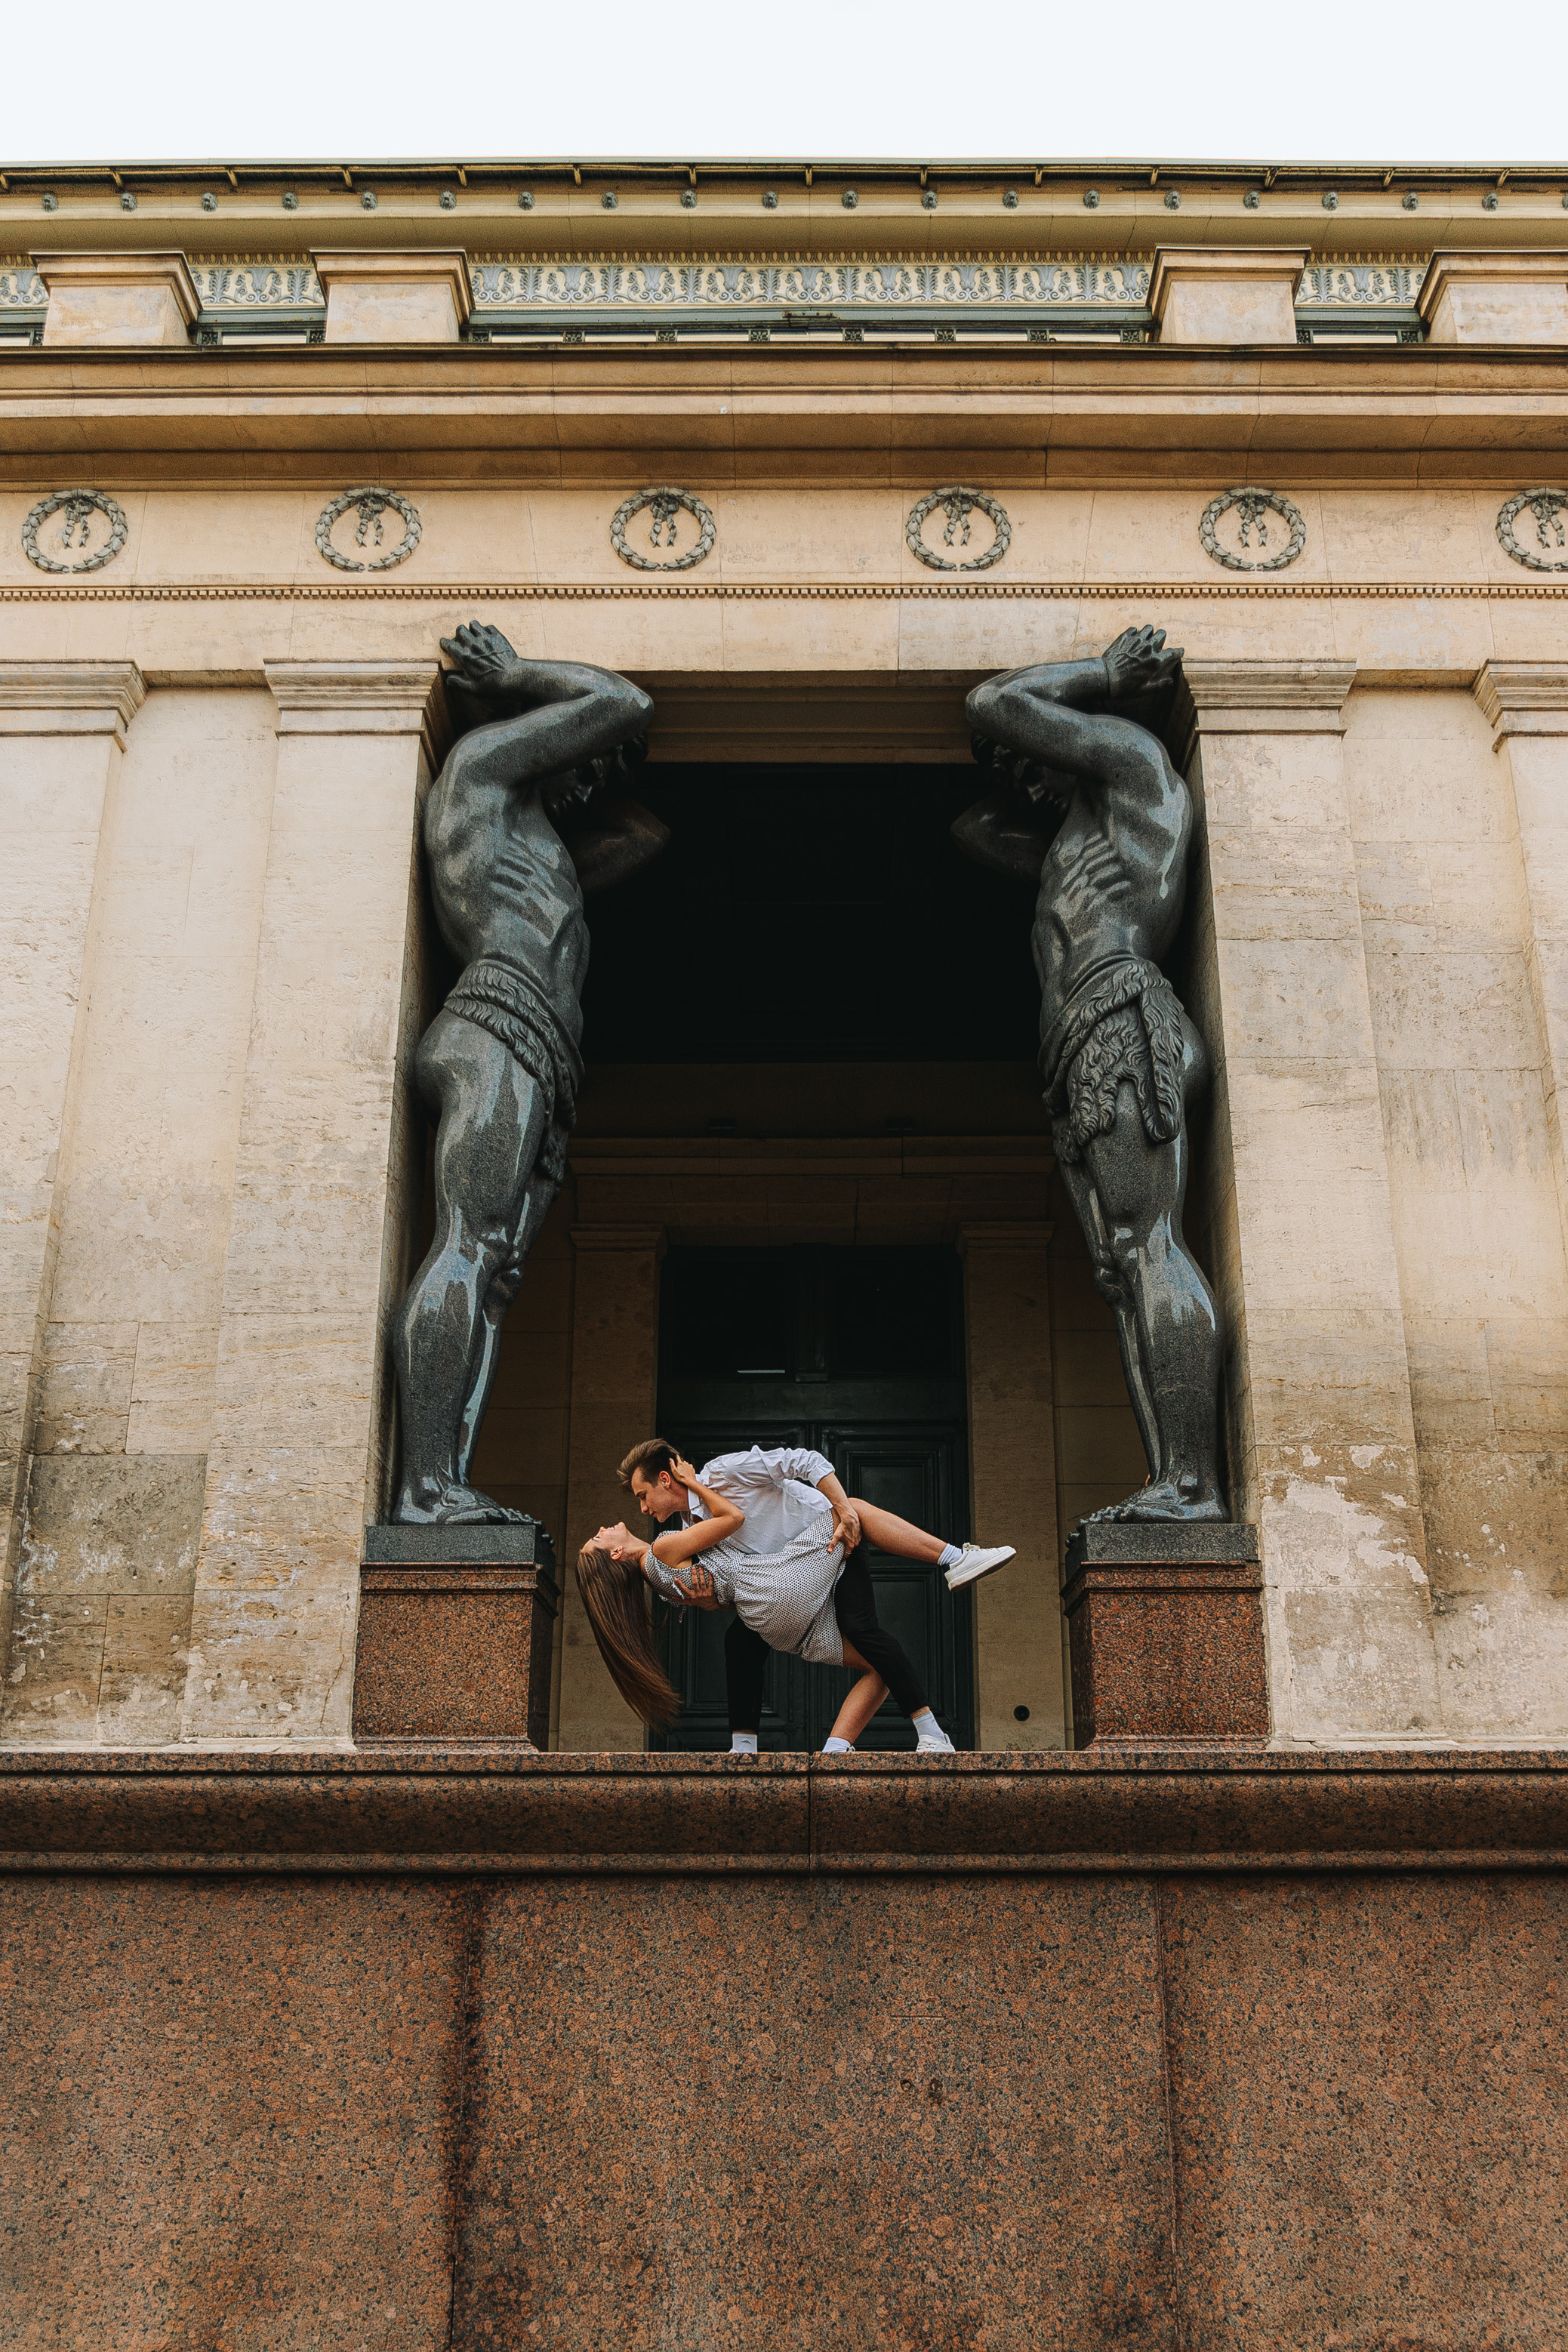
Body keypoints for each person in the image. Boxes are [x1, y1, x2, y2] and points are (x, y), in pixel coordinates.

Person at [390, 623, 667, 1524]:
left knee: (496, 1267)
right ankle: (425, 1486)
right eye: (580, 755)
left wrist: (579, 776)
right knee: (471, 1246)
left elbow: (640, 834)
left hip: (538, 1046)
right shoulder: (477, 778)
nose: (594, 766)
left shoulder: (540, 843)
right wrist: (518, 678)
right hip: (495, 1024)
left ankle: (448, 1477)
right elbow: (621, 702)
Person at [956, 624, 1225, 1523]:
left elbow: (995, 702)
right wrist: (1036, 777)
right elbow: (976, 826)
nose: (1024, 768)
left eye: (1035, 756)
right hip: (1079, 1041)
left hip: (1119, 1014)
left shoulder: (1137, 777)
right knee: (1120, 1265)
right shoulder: (1070, 842)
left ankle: (1192, 1481)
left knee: (1149, 1243)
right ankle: (1168, 1478)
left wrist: (1102, 677)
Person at [578, 1438, 1014, 1754]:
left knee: (841, 1639)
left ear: (665, 1478)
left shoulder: (724, 1473)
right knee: (854, 1529)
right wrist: (708, 1598)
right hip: (798, 1573)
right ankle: (955, 1561)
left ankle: (827, 1751)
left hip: (815, 1558)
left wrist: (839, 1508)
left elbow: (804, 1460)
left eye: (642, 1495)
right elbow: (725, 1549)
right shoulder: (676, 1541)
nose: (641, 1508)